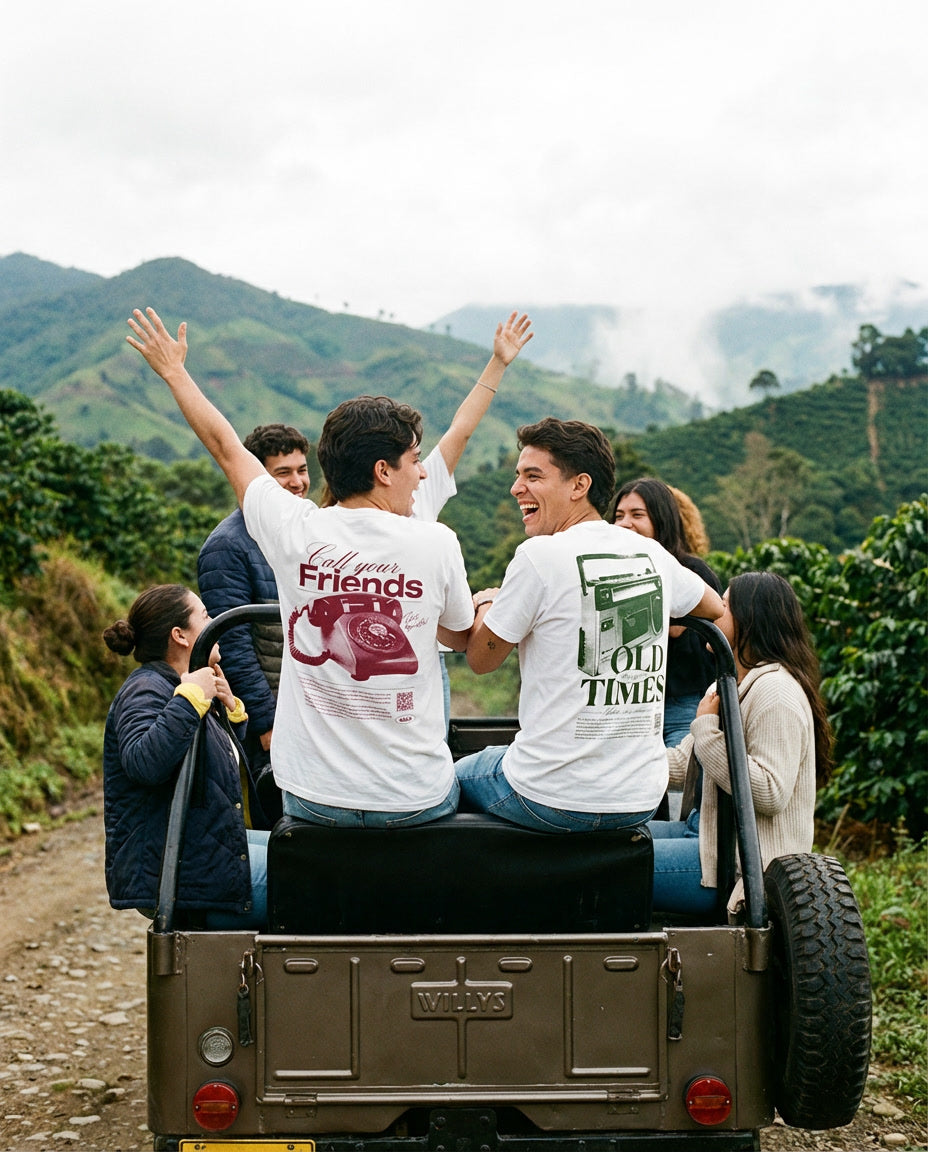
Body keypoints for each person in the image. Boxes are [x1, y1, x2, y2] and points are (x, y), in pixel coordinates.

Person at [127, 307, 475, 827]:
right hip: (413, 799)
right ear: (383, 470)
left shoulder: (295, 530)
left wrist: (175, 373)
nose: (422, 474)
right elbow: (461, 637)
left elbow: (226, 448)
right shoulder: (436, 541)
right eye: (415, 460)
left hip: (313, 796)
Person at [453, 418, 724, 831]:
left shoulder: (539, 555)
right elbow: (712, 606)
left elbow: (481, 660)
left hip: (549, 796)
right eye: (518, 476)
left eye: (533, 476)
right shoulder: (648, 553)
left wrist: (488, 602)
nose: (516, 488)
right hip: (638, 799)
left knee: (447, 781)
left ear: (579, 485)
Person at [650, 571, 833, 916]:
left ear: (752, 619)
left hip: (740, 867)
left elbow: (769, 792)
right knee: (609, 842)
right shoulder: (730, 683)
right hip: (705, 837)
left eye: (725, 605)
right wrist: (616, 761)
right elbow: (682, 763)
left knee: (612, 865)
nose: (715, 611)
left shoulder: (776, 692)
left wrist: (707, 730)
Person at [102, 584, 268, 928]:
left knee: (304, 852)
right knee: (312, 877)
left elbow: (202, 763)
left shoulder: (177, 684)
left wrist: (230, 712)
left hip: (197, 848)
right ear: (179, 635)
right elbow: (144, 763)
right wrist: (190, 700)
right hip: (181, 872)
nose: (214, 622)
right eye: (205, 616)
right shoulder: (146, 688)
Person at [197, 423, 312, 824]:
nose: (298, 482)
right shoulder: (226, 547)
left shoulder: (303, 533)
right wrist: (265, 724)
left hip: (305, 712)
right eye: (283, 473)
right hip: (267, 722)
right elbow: (233, 646)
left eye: (302, 469)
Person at [608, 477, 723, 746]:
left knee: (680, 771)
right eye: (619, 516)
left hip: (683, 702)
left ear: (661, 520)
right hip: (628, 706)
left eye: (637, 515)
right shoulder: (610, 574)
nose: (625, 523)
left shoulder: (690, 571)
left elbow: (675, 628)